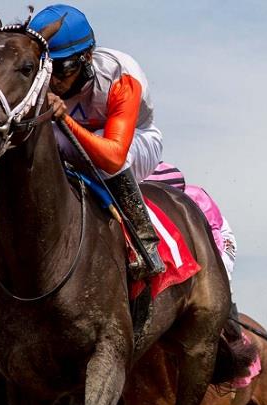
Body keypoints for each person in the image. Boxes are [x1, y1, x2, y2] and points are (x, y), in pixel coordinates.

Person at [29, 4, 165, 279]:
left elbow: (113, 157)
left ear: (87, 56)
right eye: (46, 67)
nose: (53, 80)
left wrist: (64, 119)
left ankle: (144, 241)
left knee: (100, 145)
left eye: (62, 68)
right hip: (75, 140)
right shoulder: (40, 78)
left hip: (136, 142)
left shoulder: (120, 74)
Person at [145, 162, 240, 316]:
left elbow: (214, 242)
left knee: (216, 281)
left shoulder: (196, 199)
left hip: (218, 236)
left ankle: (229, 321)